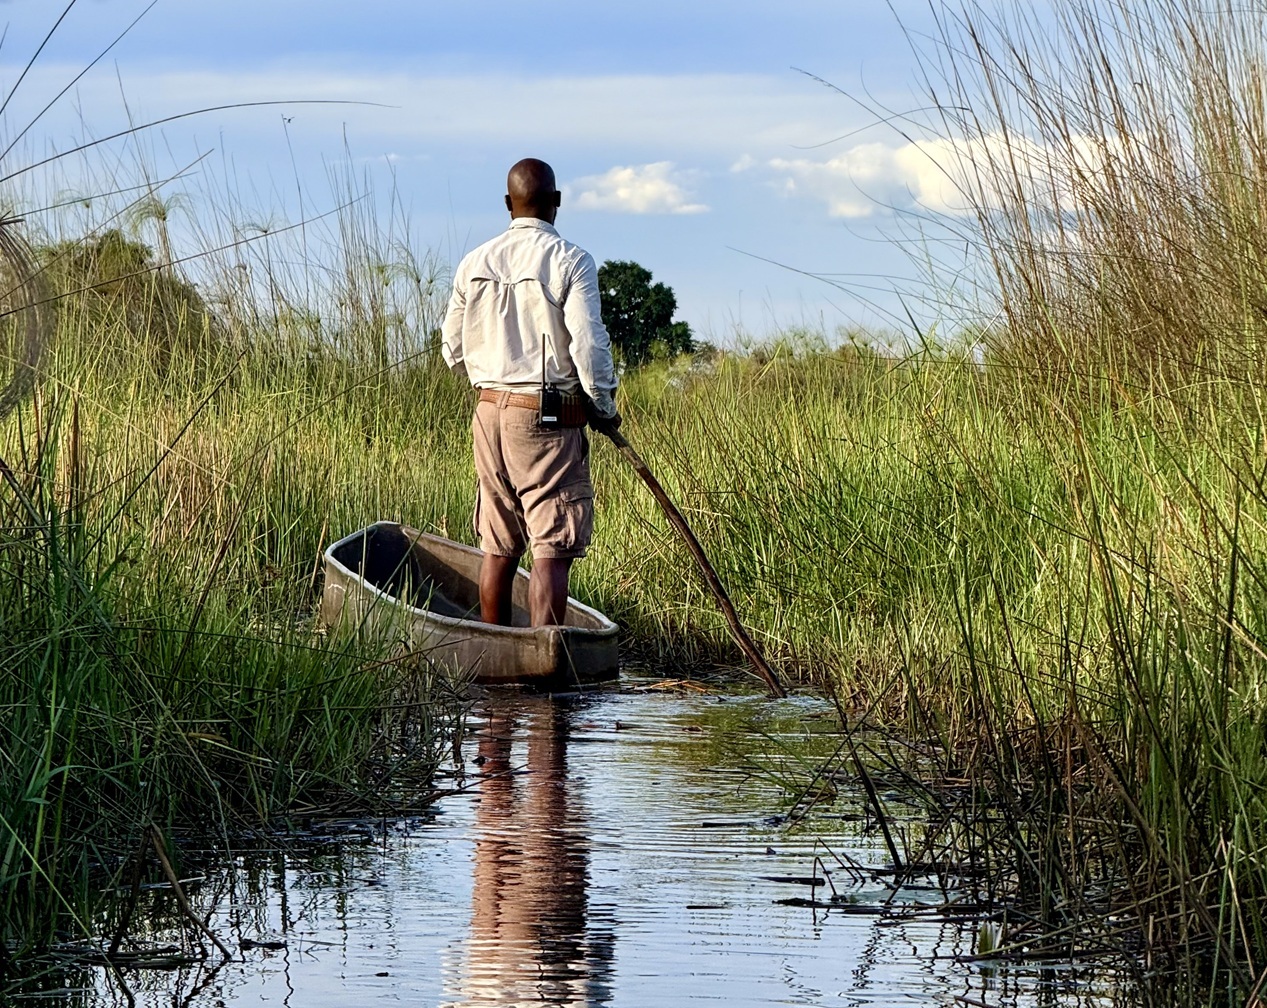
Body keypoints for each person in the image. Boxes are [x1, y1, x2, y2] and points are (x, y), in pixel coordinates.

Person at [441, 158, 621, 627]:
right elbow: (587, 344)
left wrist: (492, 377)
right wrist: (603, 406)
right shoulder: (571, 261)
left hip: (487, 413)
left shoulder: (474, 262)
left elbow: (452, 348)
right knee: (551, 545)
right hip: (543, 417)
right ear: (557, 203)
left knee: (497, 545)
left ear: (508, 204)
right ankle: (546, 666)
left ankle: (497, 659)